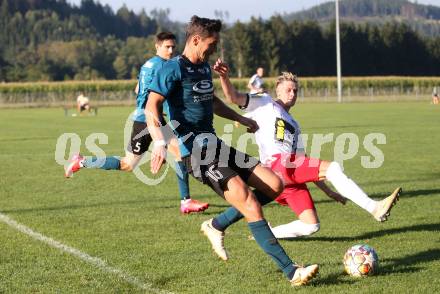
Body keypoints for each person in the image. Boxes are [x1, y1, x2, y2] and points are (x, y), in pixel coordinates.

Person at [145, 15, 319, 287]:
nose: (214, 49)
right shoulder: (171, 69)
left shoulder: (203, 69)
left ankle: (215, 225)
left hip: (216, 144)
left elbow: (212, 102)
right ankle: (291, 270)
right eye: (211, 44)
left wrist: (240, 119)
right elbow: (151, 107)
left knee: (275, 183)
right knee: (248, 201)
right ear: (195, 40)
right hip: (197, 155)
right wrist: (159, 141)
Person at [211, 60, 402, 240]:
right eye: (288, 90)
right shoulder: (265, 101)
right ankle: (374, 207)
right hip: (278, 164)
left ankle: (268, 233)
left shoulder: (294, 124)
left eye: (296, 91)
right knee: (333, 168)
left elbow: (305, 162)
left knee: (311, 225)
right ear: (278, 90)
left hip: (288, 173)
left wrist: (328, 192)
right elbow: (232, 97)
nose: (292, 94)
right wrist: (224, 77)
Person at [65, 32, 209, 214]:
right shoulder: (164, 66)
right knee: (129, 164)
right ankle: (82, 161)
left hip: (150, 117)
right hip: (146, 119)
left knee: (176, 154)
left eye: (173, 46)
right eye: (167, 47)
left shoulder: (148, 64)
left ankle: (185, 201)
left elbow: (138, 89)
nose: (171, 50)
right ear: (157, 47)